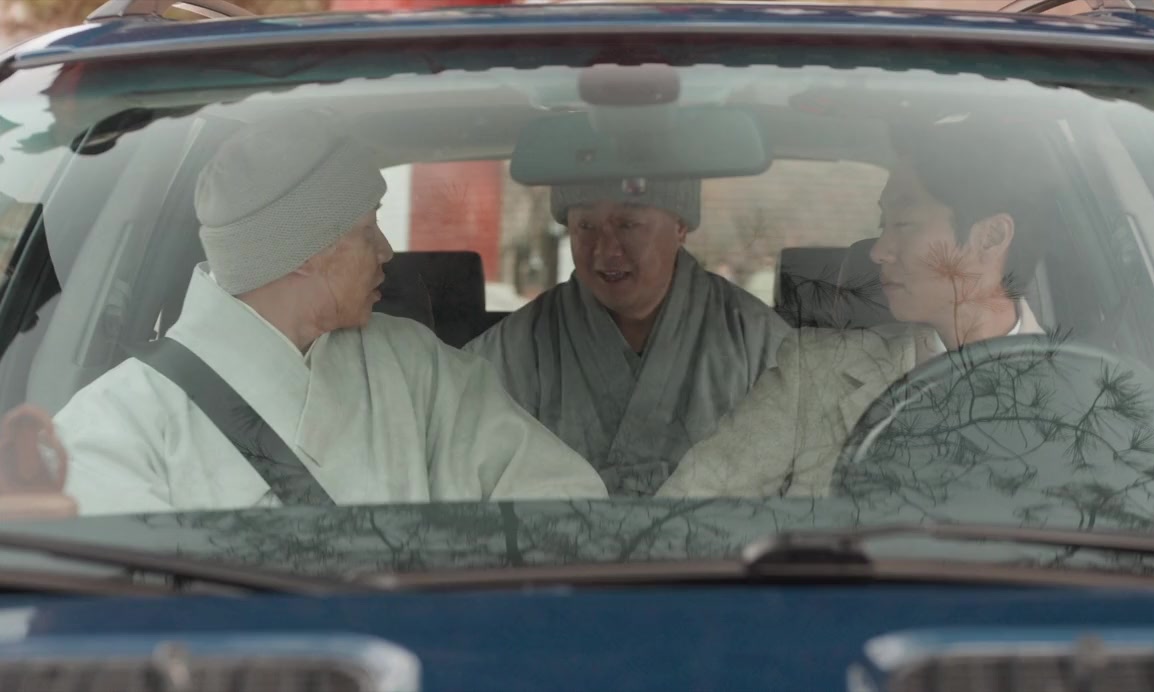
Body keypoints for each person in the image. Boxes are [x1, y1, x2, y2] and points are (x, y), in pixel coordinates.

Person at [54, 114, 606, 515]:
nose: (387, 251)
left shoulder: (414, 364)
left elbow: (563, 498)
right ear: (303, 254)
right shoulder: (114, 428)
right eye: (367, 230)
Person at [657, 117, 1054, 498]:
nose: (878, 251)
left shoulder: (1076, 392)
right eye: (884, 225)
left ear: (991, 236)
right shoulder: (817, 375)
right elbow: (688, 506)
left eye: (904, 224)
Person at [465, 179, 791, 495]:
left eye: (628, 225)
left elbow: (806, 483)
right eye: (586, 227)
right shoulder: (517, 347)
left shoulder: (756, 341)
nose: (604, 250)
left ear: (679, 226)